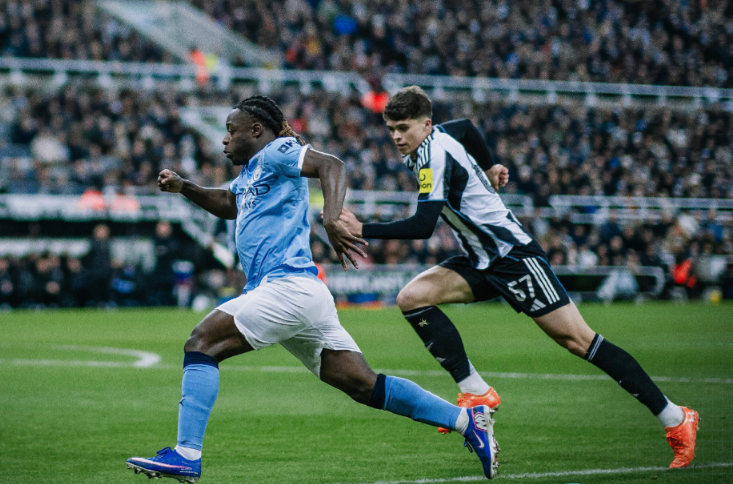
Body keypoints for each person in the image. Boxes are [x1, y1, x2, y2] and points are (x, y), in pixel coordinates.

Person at [127, 96, 500, 481]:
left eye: (231, 131)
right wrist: (185, 187)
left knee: (201, 342)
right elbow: (228, 202)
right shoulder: (252, 171)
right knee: (364, 385)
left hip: (286, 288)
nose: (224, 140)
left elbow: (331, 164)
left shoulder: (277, 151)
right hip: (300, 295)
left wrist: (333, 217)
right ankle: (466, 421)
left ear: (256, 130)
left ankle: (187, 454)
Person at [337, 86, 699, 469]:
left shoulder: (433, 158)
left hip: (514, 257)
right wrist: (490, 166)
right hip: (481, 259)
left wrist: (362, 229)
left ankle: (676, 418)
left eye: (403, 128)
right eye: (391, 129)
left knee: (580, 341)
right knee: (412, 298)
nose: (396, 136)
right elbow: (467, 127)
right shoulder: (434, 138)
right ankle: (476, 391)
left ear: (426, 125)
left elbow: (423, 225)